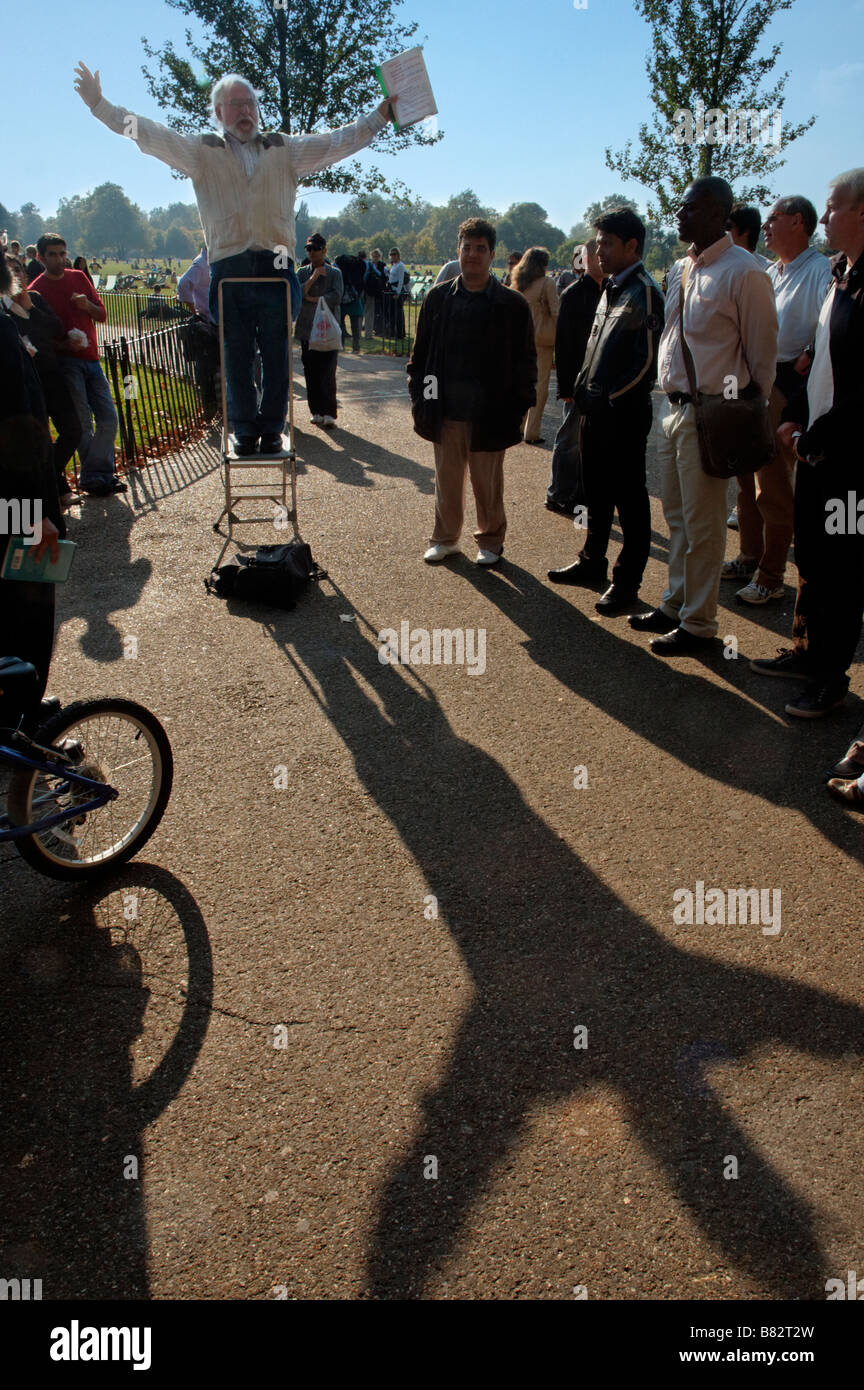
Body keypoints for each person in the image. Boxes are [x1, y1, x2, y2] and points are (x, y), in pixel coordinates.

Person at [74, 61, 396, 456]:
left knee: (278, 358)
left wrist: (380, 116)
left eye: (249, 103)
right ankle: (244, 429)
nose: (244, 111)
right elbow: (148, 134)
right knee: (237, 355)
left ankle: (273, 427)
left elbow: (337, 142)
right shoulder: (201, 151)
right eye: (234, 104)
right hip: (229, 269)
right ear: (218, 113)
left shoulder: (284, 148)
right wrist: (99, 105)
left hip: (277, 267)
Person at [631, 177, 777, 654]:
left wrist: (739, 414)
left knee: (705, 524)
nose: (680, 213)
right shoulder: (680, 269)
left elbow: (762, 360)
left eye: (691, 207)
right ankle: (675, 603)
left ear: (718, 214)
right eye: (681, 206)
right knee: (675, 516)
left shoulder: (745, 272)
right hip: (670, 410)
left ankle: (699, 625)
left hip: (711, 416)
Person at [750, 168, 864, 717]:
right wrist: (795, 414)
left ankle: (830, 679)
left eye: (834, 206)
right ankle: (807, 651)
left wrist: (818, 432)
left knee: (842, 571)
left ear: (862, 211)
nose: (826, 217)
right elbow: (814, 357)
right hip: (819, 449)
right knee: (815, 557)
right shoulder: (841, 275)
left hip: (852, 462)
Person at [548, 208, 665, 613]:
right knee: (595, 492)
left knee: (630, 500)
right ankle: (591, 562)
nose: (599, 250)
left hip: (623, 415)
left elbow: (646, 364)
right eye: (597, 243)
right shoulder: (612, 288)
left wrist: (610, 398)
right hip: (594, 411)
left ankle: (626, 583)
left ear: (632, 245)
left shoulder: (644, 291)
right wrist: (581, 390)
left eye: (607, 243)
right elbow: (591, 351)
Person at [407, 216, 536, 567]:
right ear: (458, 251)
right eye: (467, 248)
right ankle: (445, 539)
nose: (473, 255)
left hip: (491, 412)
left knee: (487, 484)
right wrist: (421, 399)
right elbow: (420, 357)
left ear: (492, 254)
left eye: (481, 249)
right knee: (446, 482)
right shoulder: (438, 299)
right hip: (446, 408)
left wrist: (520, 407)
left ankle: (490, 542)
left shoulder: (512, 304)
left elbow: (526, 362)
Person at [724, 196, 832, 605]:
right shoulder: (770, 272)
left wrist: (800, 397)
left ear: (799, 222)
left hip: (786, 387)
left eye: (774, 219)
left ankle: (772, 575)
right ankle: (748, 557)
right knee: (745, 480)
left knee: (772, 487)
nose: (765, 226)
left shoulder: (821, 272)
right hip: (754, 384)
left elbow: (824, 339)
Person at [0, 245, 64, 730]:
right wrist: (36, 510)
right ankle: (23, 710)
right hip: (19, 501)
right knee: (30, 606)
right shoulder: (2, 332)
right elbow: (18, 429)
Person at [30, 233, 124, 497]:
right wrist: (64, 346)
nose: (59, 259)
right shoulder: (37, 291)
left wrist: (86, 306)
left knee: (109, 418)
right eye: (52, 254)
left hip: (92, 358)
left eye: (62, 253)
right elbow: (40, 339)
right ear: (40, 257)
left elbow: (102, 314)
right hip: (67, 363)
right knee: (83, 422)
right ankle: (97, 477)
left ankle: (96, 474)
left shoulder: (79, 277)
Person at [2, 254, 81, 507]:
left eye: (18, 271)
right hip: (22, 391)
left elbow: (55, 328)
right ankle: (47, 501)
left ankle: (50, 486)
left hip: (49, 377)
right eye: (10, 271)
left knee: (73, 430)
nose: (16, 277)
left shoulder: (33, 299)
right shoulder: (4, 317)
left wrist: (30, 309)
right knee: (36, 443)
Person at [545, 237, 604, 514]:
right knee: (569, 440)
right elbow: (564, 345)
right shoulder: (573, 294)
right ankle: (558, 492)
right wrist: (566, 387)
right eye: (597, 255)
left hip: (602, 382)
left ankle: (582, 491)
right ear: (587, 259)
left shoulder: (613, 291)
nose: (603, 259)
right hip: (579, 381)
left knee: (591, 442)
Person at [510, 247, 558, 443]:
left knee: (521, 383)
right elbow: (556, 312)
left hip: (519, 337)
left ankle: (518, 426)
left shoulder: (517, 283)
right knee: (541, 386)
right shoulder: (547, 283)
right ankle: (532, 432)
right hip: (541, 339)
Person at [295, 233, 343, 428]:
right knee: (311, 372)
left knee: (327, 372)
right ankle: (316, 410)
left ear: (324, 250)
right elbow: (298, 294)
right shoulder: (302, 272)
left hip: (327, 330)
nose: (312, 252)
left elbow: (337, 296)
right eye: (309, 249)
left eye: (316, 249)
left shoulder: (335, 273)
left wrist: (315, 299)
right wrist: (313, 278)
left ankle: (329, 411)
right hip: (307, 329)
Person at [334, 249, 366, 353]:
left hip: (342, 299)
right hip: (354, 299)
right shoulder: (356, 268)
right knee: (355, 325)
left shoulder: (340, 271)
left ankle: (342, 345)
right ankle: (356, 347)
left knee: (341, 324)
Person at [727, 204, 771, 270]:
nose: (724, 232)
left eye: (728, 227)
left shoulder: (766, 268)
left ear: (746, 231)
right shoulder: (720, 264)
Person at [384, 246, 407, 338]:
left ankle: (400, 333)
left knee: (398, 313)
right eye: (391, 254)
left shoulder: (400, 265)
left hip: (396, 291)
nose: (392, 256)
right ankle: (393, 332)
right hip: (391, 290)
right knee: (392, 313)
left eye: (394, 254)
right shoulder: (394, 265)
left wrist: (398, 293)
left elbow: (401, 280)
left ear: (398, 255)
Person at [363, 249, 386, 336]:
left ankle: (378, 329)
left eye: (377, 256)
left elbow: (384, 277)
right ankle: (370, 327)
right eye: (374, 256)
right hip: (370, 290)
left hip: (379, 290)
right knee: (370, 310)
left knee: (379, 310)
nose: (375, 258)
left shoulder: (382, 265)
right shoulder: (369, 265)